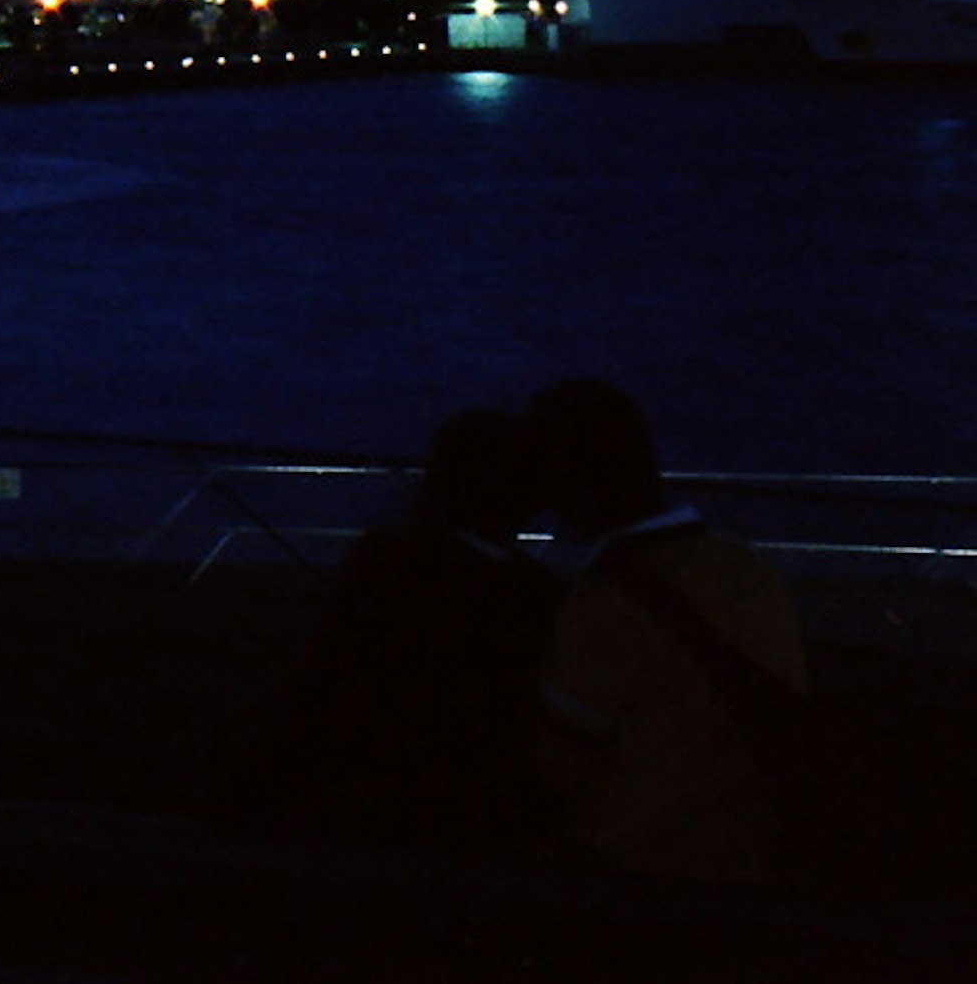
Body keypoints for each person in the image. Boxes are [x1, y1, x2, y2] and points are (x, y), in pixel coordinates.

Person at [526, 377, 806, 883]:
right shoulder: (751, 571)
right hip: (747, 854)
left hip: (631, 868)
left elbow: (558, 767)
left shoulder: (601, 603)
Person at [270, 405, 564, 853]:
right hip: (472, 820)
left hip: (360, 803)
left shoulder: (379, 560)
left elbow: (319, 678)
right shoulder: (532, 595)